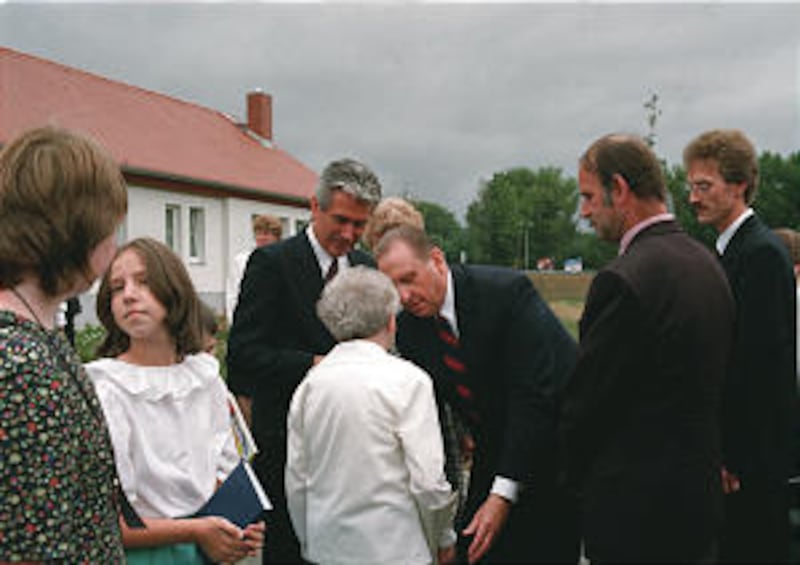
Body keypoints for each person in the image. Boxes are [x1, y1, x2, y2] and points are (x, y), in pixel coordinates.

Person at [560, 133, 735, 562]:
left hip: (633, 517)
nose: (584, 213)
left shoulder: (623, 279)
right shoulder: (707, 263)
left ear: (618, 189)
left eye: (588, 196)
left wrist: (573, 481)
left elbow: (587, 408)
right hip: (697, 504)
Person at [375, 224, 579, 564]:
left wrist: (502, 496)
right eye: (393, 287)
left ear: (437, 260)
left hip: (557, 449)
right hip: (494, 446)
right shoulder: (410, 330)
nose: (404, 296)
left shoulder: (506, 294)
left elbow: (533, 399)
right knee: (475, 548)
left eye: (408, 278)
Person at [227, 157, 382, 563]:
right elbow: (243, 354)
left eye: (359, 225)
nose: (349, 234)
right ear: (314, 207)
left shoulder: (367, 268)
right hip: (287, 445)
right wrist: (314, 366)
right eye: (341, 220)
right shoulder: (272, 264)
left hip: (351, 447)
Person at [85, 237, 265, 564]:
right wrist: (195, 531)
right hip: (144, 552)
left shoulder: (204, 377)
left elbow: (224, 469)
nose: (128, 294)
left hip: (203, 543)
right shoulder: (106, 386)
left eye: (144, 282)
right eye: (116, 287)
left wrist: (236, 524)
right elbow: (107, 518)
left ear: (173, 288)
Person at [0, 126, 128, 561]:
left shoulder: (33, 338)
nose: (115, 246)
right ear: (78, 230)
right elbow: (28, 549)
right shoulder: (23, 366)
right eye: (113, 228)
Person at [286, 266, 457, 564]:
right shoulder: (409, 381)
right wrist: (443, 536)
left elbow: (298, 479)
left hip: (329, 547)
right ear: (391, 321)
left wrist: (309, 541)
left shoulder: (311, 386)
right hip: (396, 549)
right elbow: (428, 482)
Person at [685, 129, 797, 562]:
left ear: (739, 186)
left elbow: (757, 365)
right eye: (691, 186)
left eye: (704, 186)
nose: (693, 197)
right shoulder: (730, 251)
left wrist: (731, 454)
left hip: (753, 460)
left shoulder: (760, 255)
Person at [226, 214, 283, 322]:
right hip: (248, 319)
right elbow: (233, 294)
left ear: (277, 237)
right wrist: (233, 322)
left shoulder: (285, 260)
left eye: (266, 234)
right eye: (258, 233)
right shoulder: (241, 260)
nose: (262, 238)